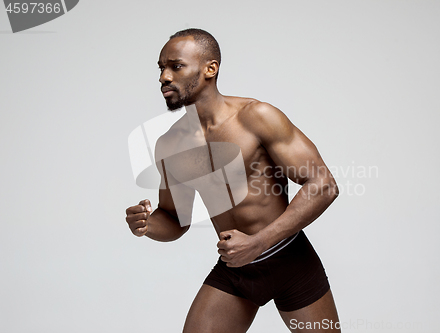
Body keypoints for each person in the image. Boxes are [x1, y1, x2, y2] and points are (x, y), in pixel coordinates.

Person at [125, 28, 341, 332]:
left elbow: (324, 185)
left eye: (175, 66)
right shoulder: (170, 144)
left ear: (210, 68)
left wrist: (257, 243)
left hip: (290, 261)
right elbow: (175, 219)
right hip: (236, 271)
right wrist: (147, 224)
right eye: (161, 68)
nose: (164, 77)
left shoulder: (256, 117)